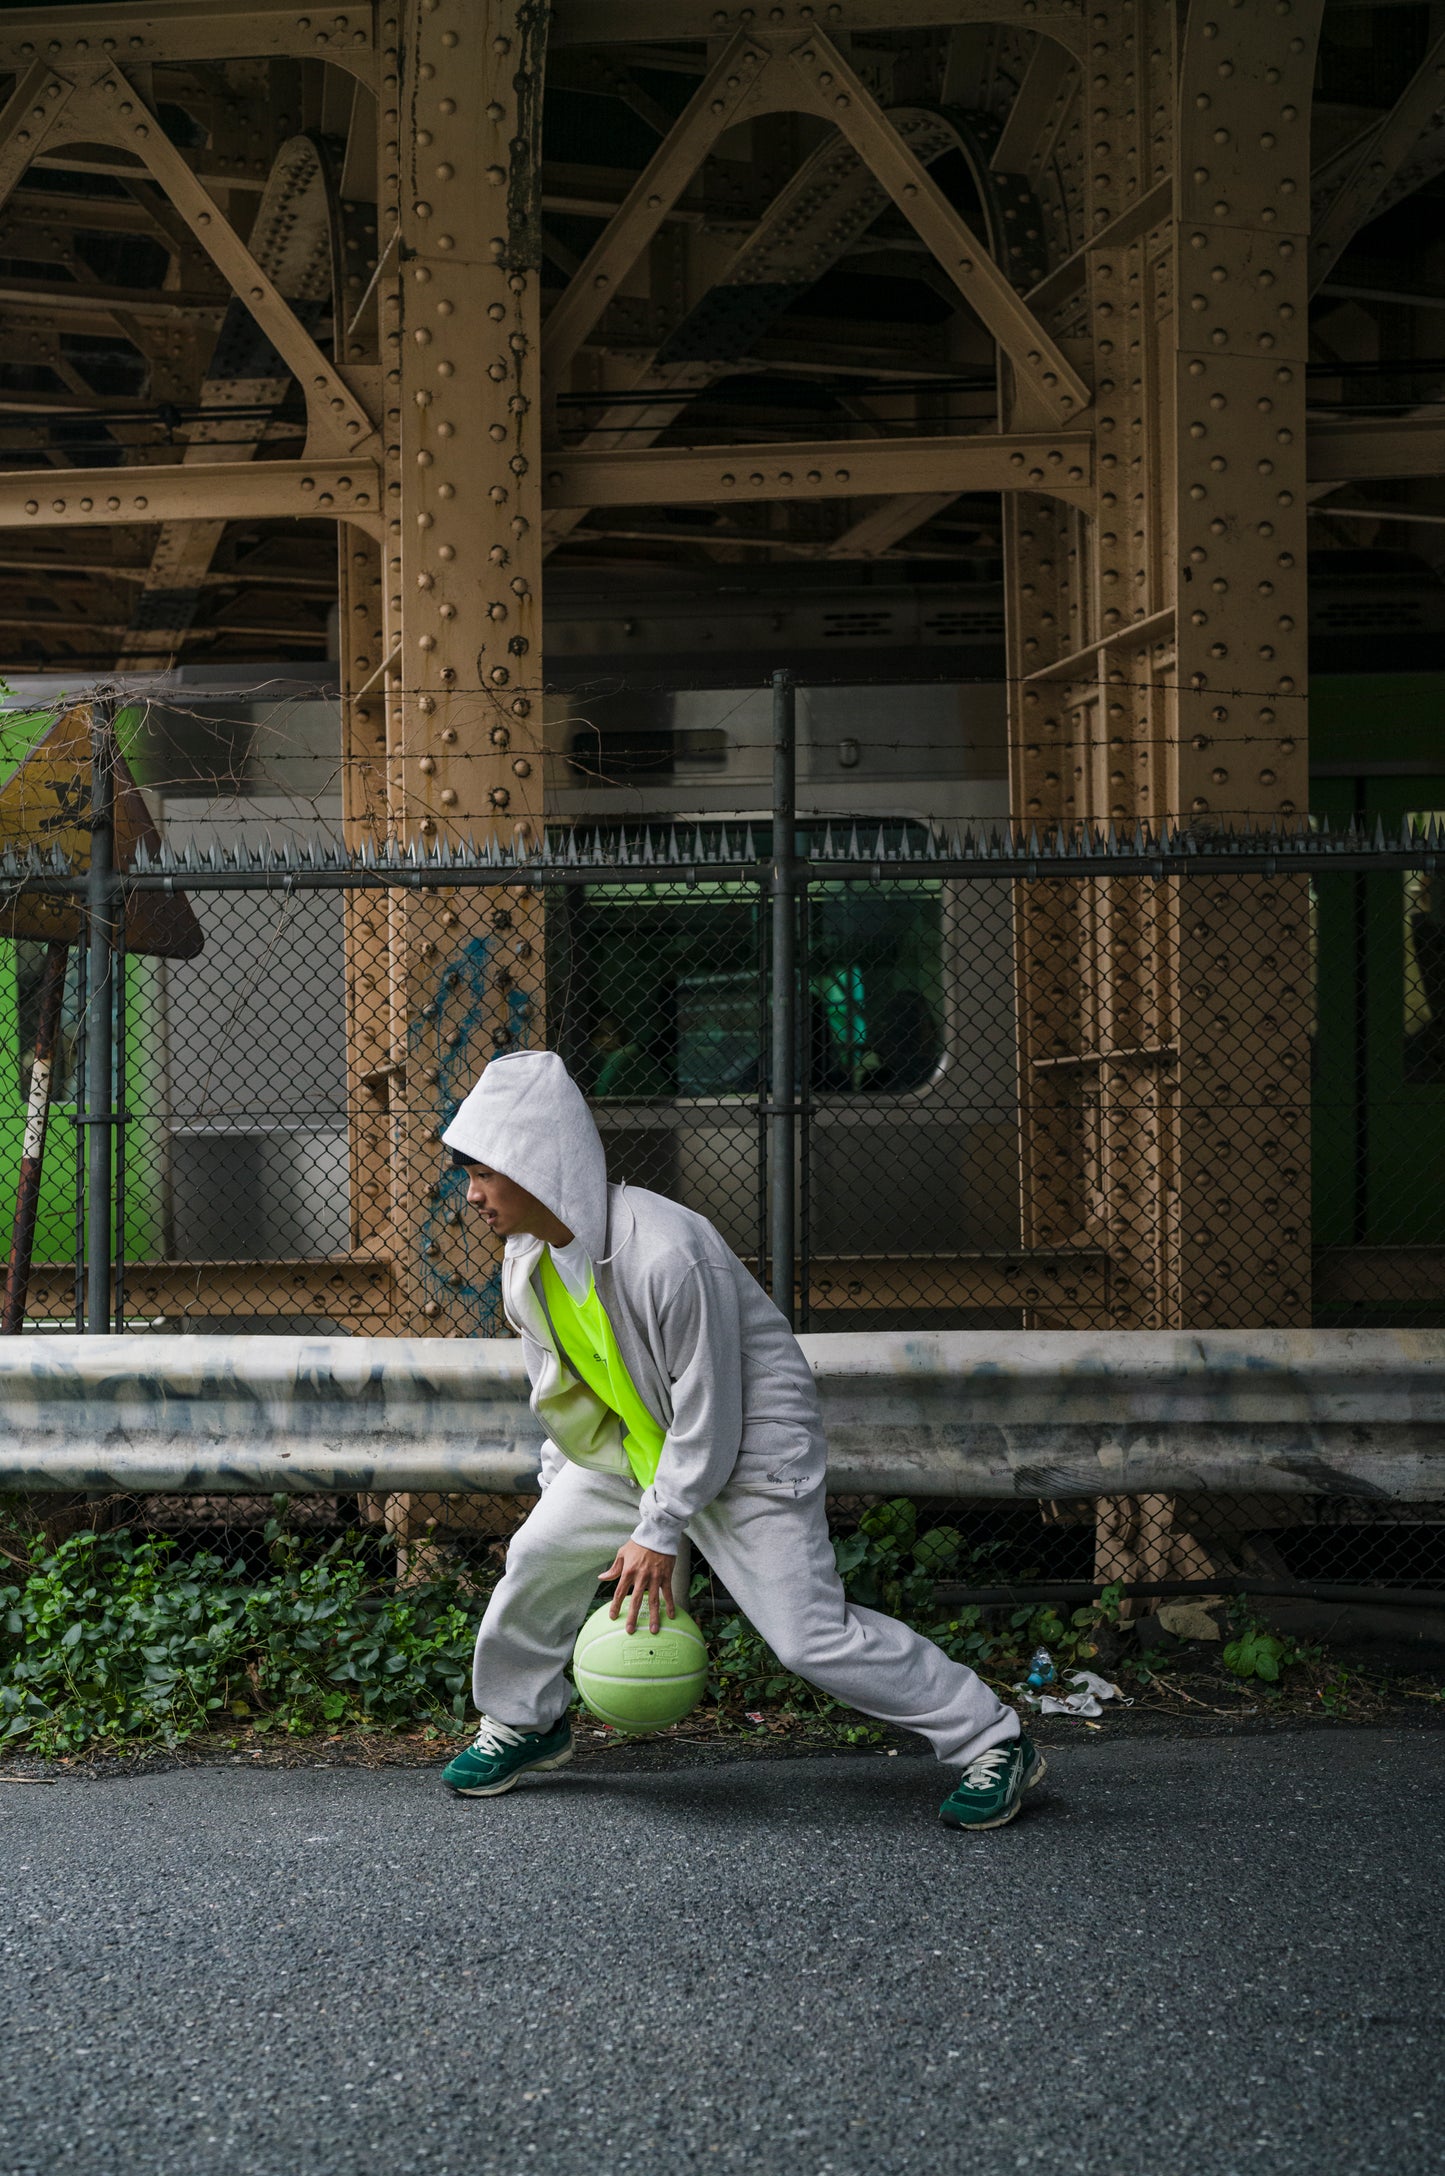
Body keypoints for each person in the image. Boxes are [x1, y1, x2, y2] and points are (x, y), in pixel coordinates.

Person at [439, 1049, 1041, 1830]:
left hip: (748, 1449)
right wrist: (569, 1487)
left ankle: (992, 1738)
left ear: (536, 1163)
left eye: (484, 1173)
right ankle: (527, 1721)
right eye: (469, 1173)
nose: (472, 1195)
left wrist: (659, 1531)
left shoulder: (664, 1253)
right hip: (642, 1448)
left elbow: (714, 1412)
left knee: (807, 1638)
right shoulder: (528, 1262)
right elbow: (568, 1387)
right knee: (538, 1557)